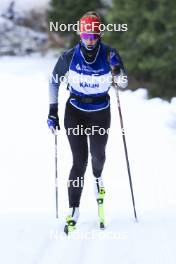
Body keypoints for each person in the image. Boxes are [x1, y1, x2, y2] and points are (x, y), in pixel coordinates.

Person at [47, 11, 128, 234]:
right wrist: (53, 110)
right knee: (78, 161)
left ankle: (98, 177)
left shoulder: (110, 53)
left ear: (99, 34)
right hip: (75, 112)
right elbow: (54, 82)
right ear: (79, 35)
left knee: (98, 156)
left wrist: (117, 69)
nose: (90, 40)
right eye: (85, 36)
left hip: (101, 111)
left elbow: (123, 84)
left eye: (93, 35)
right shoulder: (69, 57)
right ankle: (74, 208)